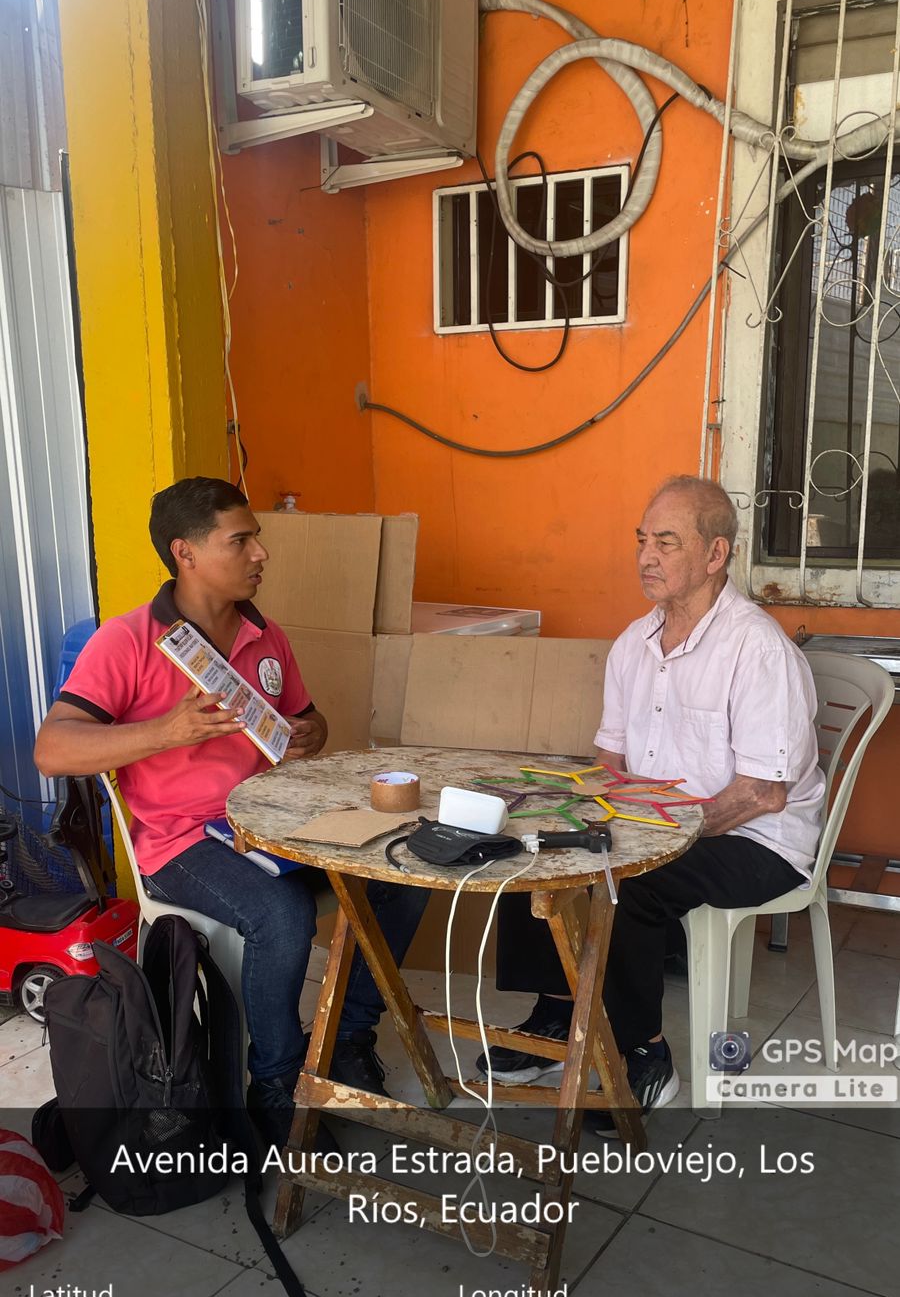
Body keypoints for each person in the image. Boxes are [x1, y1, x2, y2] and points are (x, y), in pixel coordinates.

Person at [34, 477, 428, 1143]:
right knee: (283, 915)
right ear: (185, 553)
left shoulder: (263, 634)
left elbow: (307, 721)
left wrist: (311, 732)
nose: (260, 554)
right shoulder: (127, 641)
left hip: (270, 821)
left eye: (257, 539)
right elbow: (52, 749)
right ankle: (275, 1083)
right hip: (181, 840)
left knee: (402, 870)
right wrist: (165, 731)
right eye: (240, 541)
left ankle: (348, 1039)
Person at [480, 475, 825, 1128]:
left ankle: (644, 1053)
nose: (646, 557)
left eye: (667, 542)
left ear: (716, 554)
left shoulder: (757, 649)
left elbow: (762, 791)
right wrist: (571, 814)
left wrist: (652, 838)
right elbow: (610, 761)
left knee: (630, 882)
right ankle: (558, 1012)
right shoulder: (634, 644)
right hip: (664, 824)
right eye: (642, 541)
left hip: (759, 839)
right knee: (536, 847)